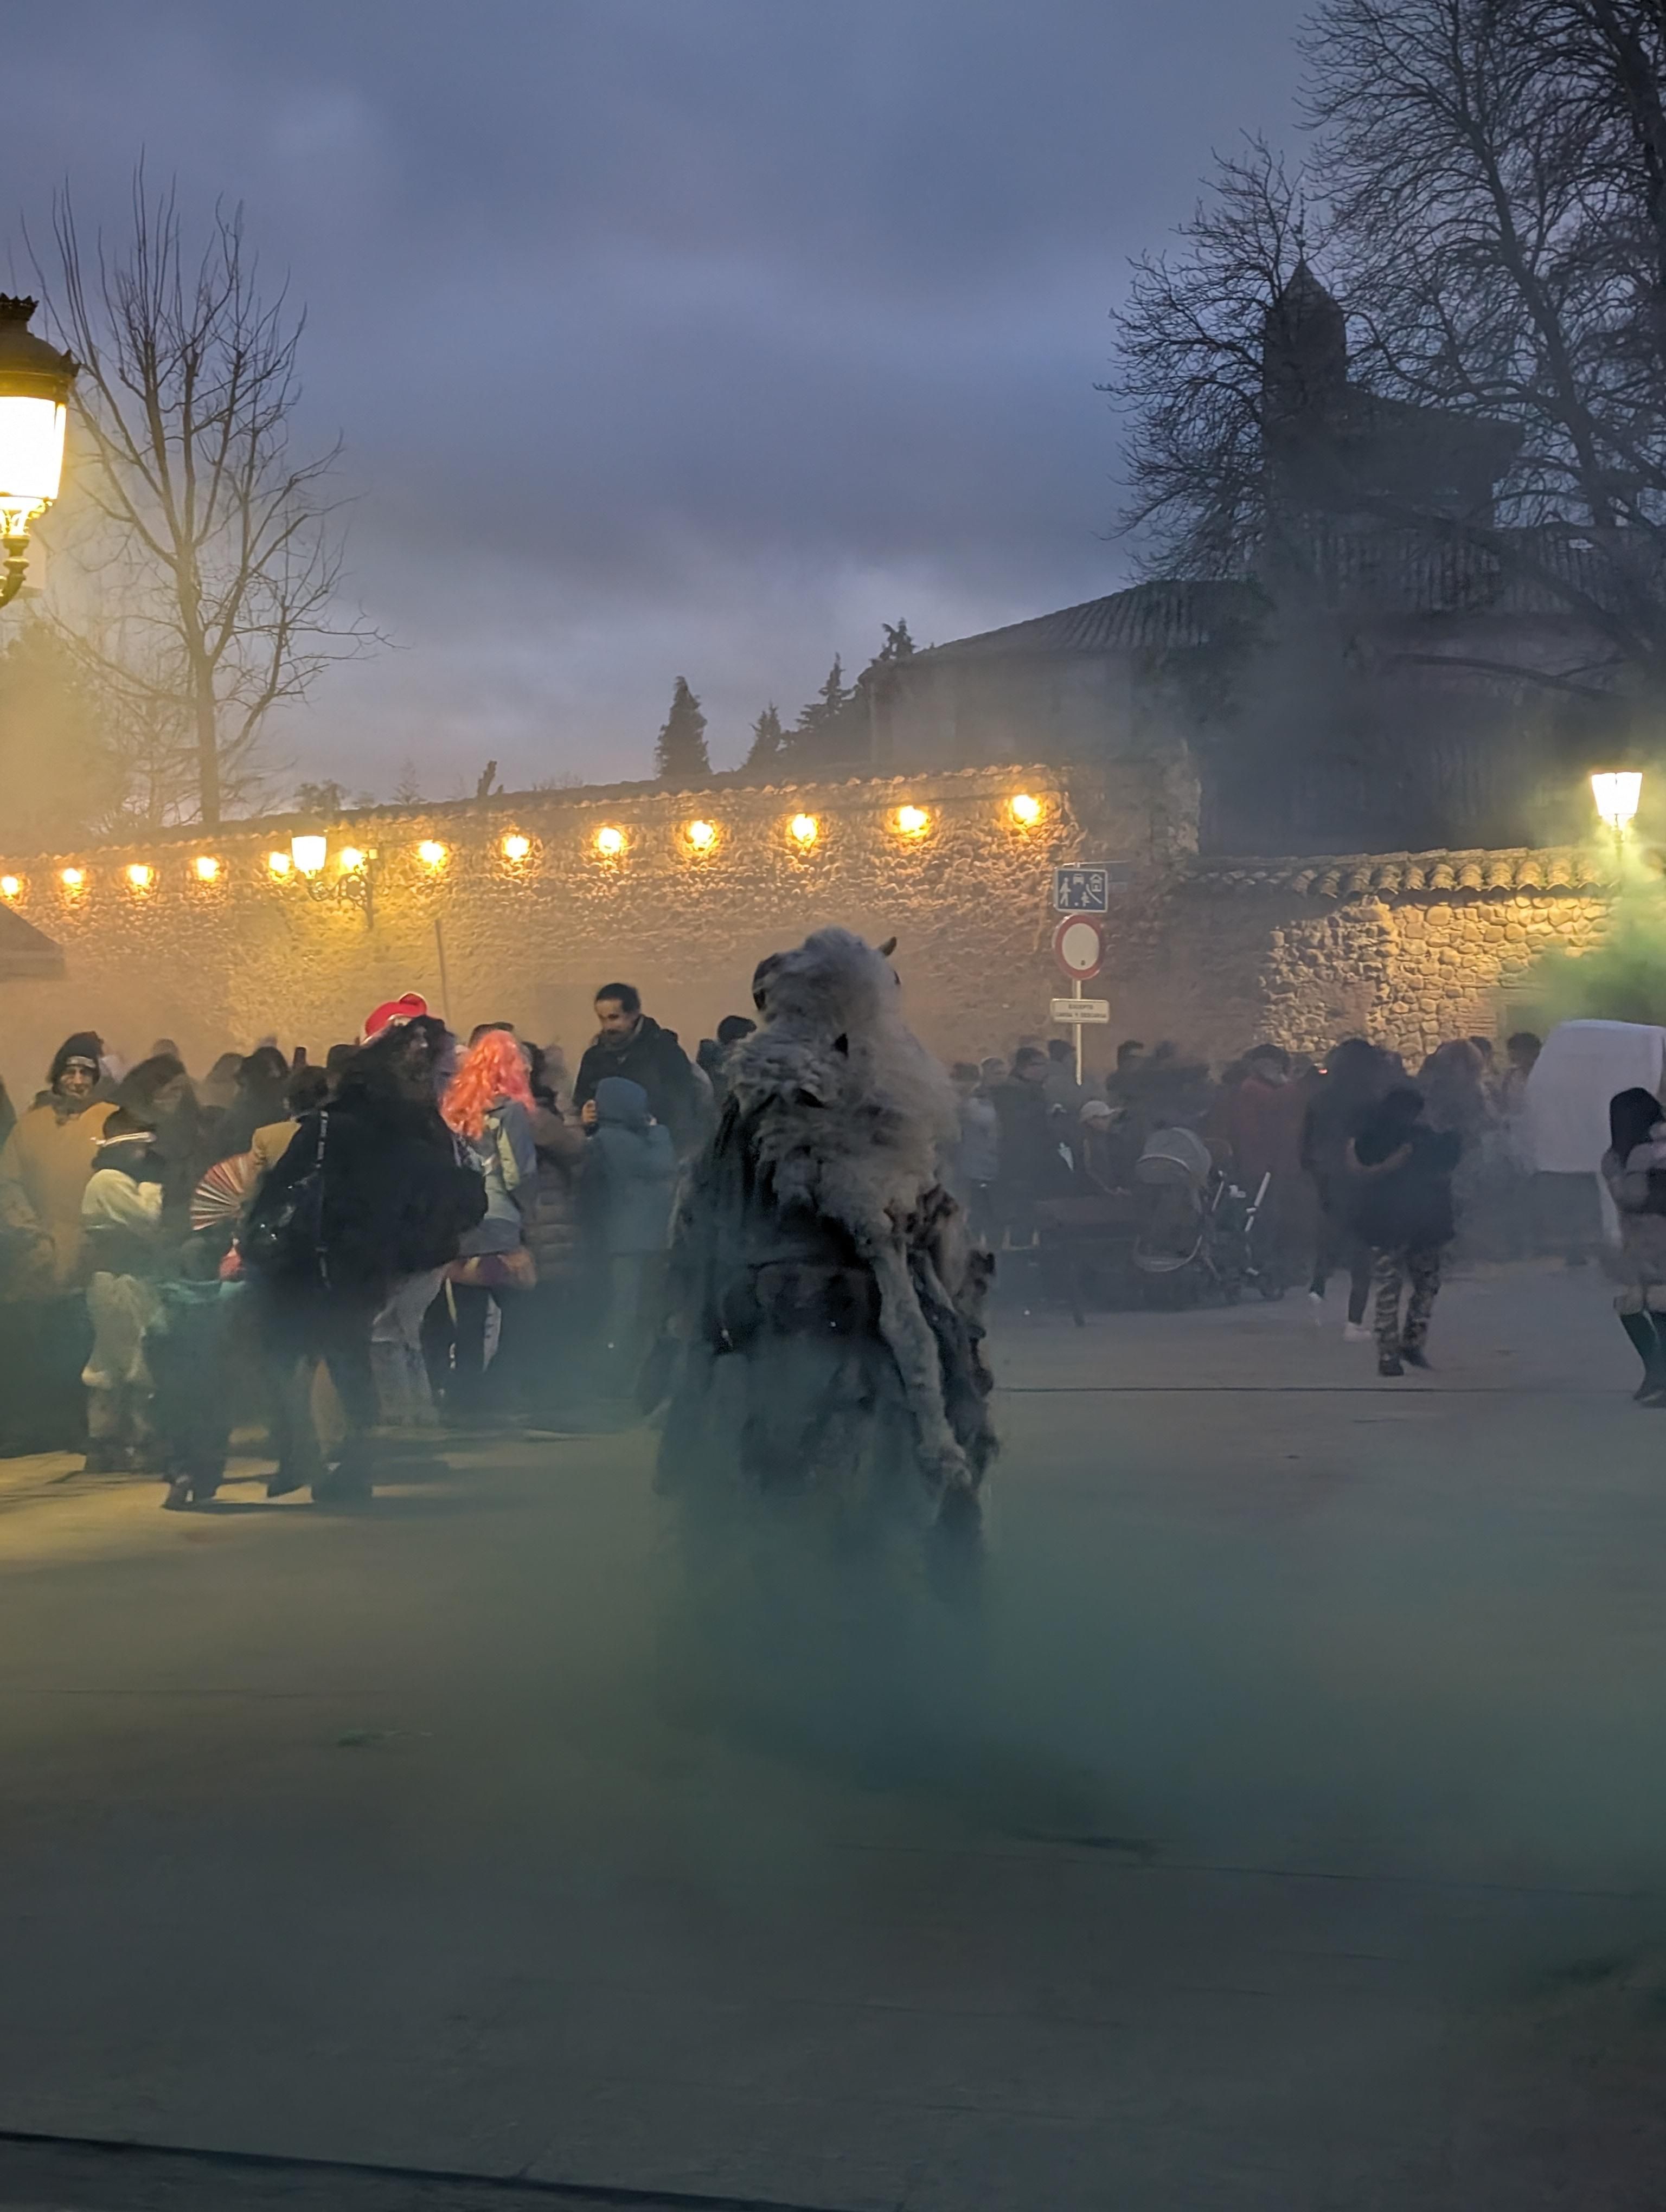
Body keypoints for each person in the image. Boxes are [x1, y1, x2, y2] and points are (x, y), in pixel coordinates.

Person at [655, 928, 994, 1517]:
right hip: (817, 1286)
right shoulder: (846, 1077)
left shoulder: (785, 1084)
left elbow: (703, 1203)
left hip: (786, 1283)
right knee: (942, 1371)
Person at [244, 1016, 485, 1500]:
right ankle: (356, 1458)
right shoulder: (414, 1131)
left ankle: (302, 1450)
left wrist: (255, 1240)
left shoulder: (330, 1126)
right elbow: (451, 1195)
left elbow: (278, 1189)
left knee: (282, 1354)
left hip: (306, 1259)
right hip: (361, 1264)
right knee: (349, 1357)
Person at [0, 1034, 117, 1452]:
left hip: (92, 1250)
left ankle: (89, 1428)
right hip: (37, 1254)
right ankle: (42, 1426)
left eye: (86, 1072)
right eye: (70, 1071)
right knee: (40, 1344)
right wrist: (30, 1234)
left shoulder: (111, 1121)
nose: (77, 1080)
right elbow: (9, 1185)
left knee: (88, 1343)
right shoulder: (30, 1125)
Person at [79, 1055, 195, 1470]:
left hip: (133, 1278)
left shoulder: (118, 1181)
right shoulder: (109, 1184)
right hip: (119, 1281)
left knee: (129, 1356)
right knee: (125, 1358)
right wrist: (155, 1190)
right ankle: (123, 1438)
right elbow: (150, 1222)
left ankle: (122, 1438)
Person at [426, 1026, 539, 1423]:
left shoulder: (451, 1109)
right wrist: (530, 1213)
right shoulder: (507, 1111)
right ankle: (502, 1391)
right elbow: (516, 1172)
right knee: (523, 1310)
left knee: (470, 1321)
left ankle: (467, 1401)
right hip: (500, 1219)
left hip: (463, 1223)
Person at [1347, 1085, 1461, 1378]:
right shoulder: (1425, 1138)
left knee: (1388, 1287)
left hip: (1384, 1223)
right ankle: (1412, 1339)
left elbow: (1357, 1169)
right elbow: (1449, 1162)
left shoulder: (1367, 1137)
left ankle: (1388, 1354)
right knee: (1426, 1284)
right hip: (1424, 1224)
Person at [578, 1075, 678, 1390]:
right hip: (638, 1239)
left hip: (620, 1238)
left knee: (623, 1306)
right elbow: (662, 1164)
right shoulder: (623, 1140)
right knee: (630, 1309)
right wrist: (658, 1130)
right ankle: (619, 1375)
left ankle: (613, 1372)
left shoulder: (603, 1139)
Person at [1302, 1038, 1391, 1338]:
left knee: (1329, 1237)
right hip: (1361, 1179)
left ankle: (1317, 1290)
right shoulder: (1371, 1101)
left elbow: (1306, 1142)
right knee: (1362, 1253)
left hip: (1327, 1174)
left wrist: (1312, 1171)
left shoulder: (1320, 1099)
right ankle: (1354, 1322)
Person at [571, 982, 700, 1155]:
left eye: (614, 1017)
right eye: (602, 1019)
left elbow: (682, 1106)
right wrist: (585, 1115)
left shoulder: (664, 1050)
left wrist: (676, 1153)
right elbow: (581, 1099)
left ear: (634, 1014)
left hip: (657, 1150)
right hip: (610, 1155)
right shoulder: (594, 1057)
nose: (608, 1027)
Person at [1600, 1088, 1666, 1404]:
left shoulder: (1633, 1154)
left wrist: (1617, 1176)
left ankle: (1658, 1375)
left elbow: (1632, 1197)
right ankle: (1657, 1375)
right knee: (1647, 1303)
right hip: (1645, 1239)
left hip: (1648, 1238)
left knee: (1648, 1302)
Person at [990, 1045, 1069, 1244]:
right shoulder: (1010, 1092)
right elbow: (1017, 1126)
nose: (1043, 1070)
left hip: (1040, 1159)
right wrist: (1045, 1115)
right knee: (1022, 1213)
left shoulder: (1035, 1090)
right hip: (1022, 1162)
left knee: (1044, 1211)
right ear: (1025, 1067)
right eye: (1038, 1065)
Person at [947, 1062, 1000, 1243]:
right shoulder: (967, 1100)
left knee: (972, 1206)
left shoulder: (977, 1100)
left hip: (976, 1162)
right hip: (966, 1162)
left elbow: (985, 1122)